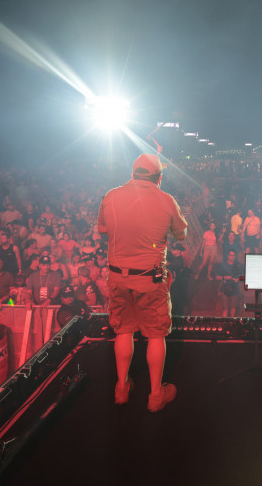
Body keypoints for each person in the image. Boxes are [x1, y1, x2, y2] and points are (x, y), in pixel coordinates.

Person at [98, 154, 187, 412]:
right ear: (159, 177)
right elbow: (181, 233)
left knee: (123, 331)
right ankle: (156, 395)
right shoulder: (166, 200)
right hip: (151, 280)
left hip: (117, 277)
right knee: (156, 334)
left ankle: (121, 388)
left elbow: (102, 229)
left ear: (133, 173)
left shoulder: (111, 196)